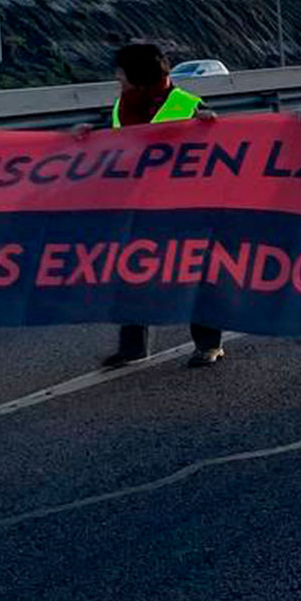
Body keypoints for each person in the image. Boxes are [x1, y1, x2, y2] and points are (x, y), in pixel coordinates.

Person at [84, 42, 228, 371]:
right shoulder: (123, 105)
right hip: (138, 203)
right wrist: (87, 138)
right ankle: (132, 347)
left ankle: (209, 344)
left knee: (194, 273)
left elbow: (218, 147)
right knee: (132, 271)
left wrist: (210, 123)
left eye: (122, 74)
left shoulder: (186, 104)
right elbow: (117, 144)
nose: (117, 79)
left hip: (184, 206)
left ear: (139, 76)